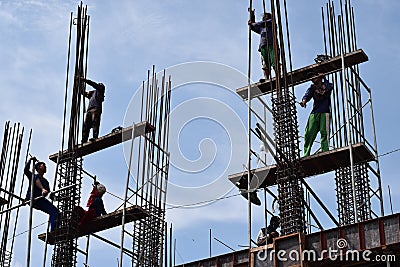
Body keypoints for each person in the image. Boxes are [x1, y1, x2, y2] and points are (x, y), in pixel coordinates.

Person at [300, 72, 333, 156]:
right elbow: (307, 95)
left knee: (324, 132)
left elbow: (328, 88)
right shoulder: (312, 88)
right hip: (315, 112)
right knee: (309, 133)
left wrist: (324, 78)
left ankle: (325, 149)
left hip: (325, 112)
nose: (312, 78)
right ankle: (306, 153)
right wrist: (304, 101)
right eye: (311, 78)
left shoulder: (327, 84)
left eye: (314, 76)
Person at [24, 157, 59, 231]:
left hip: (40, 200)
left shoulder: (46, 182)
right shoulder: (33, 176)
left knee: (55, 212)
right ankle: (53, 231)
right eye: (44, 165)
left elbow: (49, 195)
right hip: (32, 198)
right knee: (35, 176)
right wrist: (30, 160)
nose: (46, 167)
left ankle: (54, 230)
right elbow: (26, 170)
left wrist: (57, 198)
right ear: (39, 167)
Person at [249, 12, 275, 82]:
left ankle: (277, 74)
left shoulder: (271, 22)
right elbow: (254, 27)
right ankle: (266, 78)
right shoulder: (261, 28)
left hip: (272, 44)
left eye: (266, 16)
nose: (265, 17)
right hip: (263, 46)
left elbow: (261, 23)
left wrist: (253, 24)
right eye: (264, 16)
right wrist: (252, 17)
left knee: (274, 61)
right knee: (265, 64)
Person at [80, 77, 105, 143]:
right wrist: (79, 86)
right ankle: (84, 140)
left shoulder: (100, 90)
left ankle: (95, 137)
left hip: (96, 109)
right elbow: (83, 93)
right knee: (86, 126)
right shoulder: (92, 95)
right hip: (89, 110)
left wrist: (84, 80)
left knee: (95, 123)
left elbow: (93, 84)